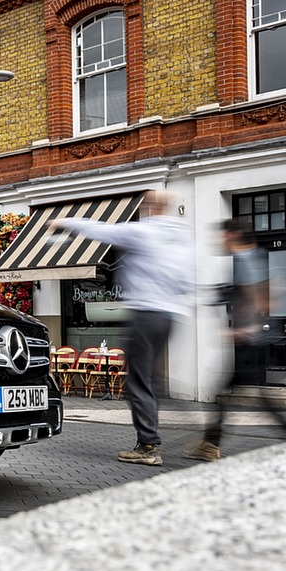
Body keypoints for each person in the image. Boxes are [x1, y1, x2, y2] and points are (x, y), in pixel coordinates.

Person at [51, 190, 194, 466]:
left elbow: (103, 232)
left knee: (137, 380)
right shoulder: (182, 239)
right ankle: (155, 420)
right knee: (149, 378)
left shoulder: (146, 232)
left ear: (151, 207)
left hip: (145, 312)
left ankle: (148, 446)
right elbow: (189, 282)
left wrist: (64, 222)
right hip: (170, 314)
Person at [183, 218, 286, 461]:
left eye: (223, 236)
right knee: (230, 394)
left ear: (233, 236)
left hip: (250, 339)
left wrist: (245, 329)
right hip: (253, 338)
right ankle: (210, 443)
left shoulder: (245, 259)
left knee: (242, 396)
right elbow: (269, 291)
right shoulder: (252, 256)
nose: (219, 240)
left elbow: (259, 295)